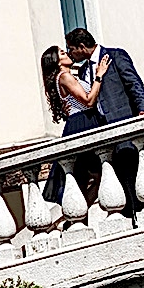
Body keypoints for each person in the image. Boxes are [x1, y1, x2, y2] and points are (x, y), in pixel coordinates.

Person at [65, 28, 144, 218]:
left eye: (71, 49)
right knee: (116, 180)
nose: (70, 53)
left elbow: (134, 84)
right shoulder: (85, 69)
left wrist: (143, 112)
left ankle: (141, 218)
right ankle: (129, 221)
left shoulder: (115, 56)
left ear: (81, 46)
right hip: (103, 134)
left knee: (133, 176)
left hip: (124, 126)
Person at [40, 45, 110, 203]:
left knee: (90, 178)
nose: (68, 54)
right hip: (83, 123)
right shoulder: (64, 76)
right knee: (97, 174)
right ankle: (76, 215)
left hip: (81, 122)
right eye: (63, 53)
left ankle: (77, 215)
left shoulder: (66, 77)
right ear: (57, 62)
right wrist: (99, 75)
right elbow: (88, 100)